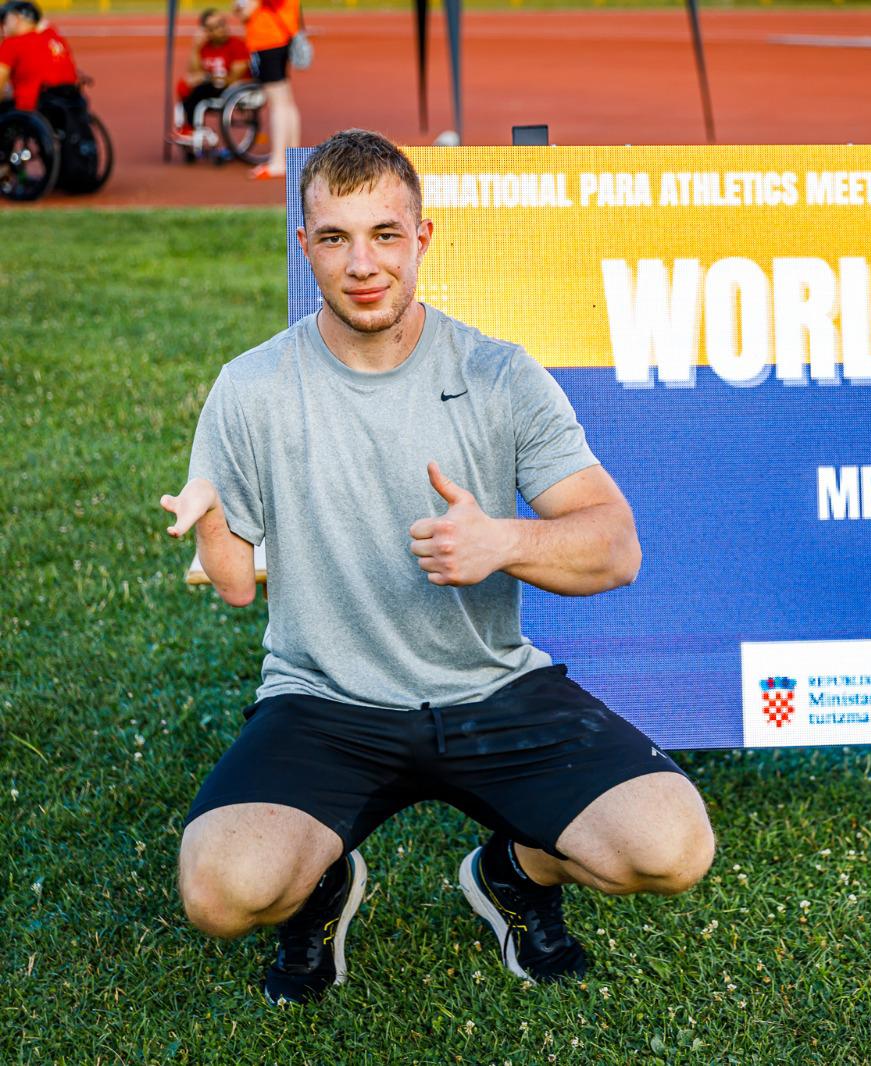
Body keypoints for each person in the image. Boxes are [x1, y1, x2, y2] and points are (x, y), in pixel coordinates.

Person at [160, 129, 715, 1006]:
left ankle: (511, 870)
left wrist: (506, 542)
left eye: (385, 234)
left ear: (422, 238)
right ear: (305, 247)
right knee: (223, 893)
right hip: (325, 697)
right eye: (335, 238)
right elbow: (233, 583)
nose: (363, 264)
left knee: (670, 848)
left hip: (490, 688)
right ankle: (324, 885)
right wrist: (212, 522)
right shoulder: (253, 386)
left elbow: (617, 546)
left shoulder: (498, 374)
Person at [233, 0, 298, 179]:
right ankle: (292, 155)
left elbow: (245, 11)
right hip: (281, 37)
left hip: (267, 39)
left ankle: (278, 161)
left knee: (278, 103)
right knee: (286, 101)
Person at [173, 8, 249, 143]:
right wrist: (195, 48)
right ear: (206, 32)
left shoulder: (237, 45)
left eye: (222, 23)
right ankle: (191, 128)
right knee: (184, 85)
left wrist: (208, 77)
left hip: (231, 90)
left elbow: (234, 78)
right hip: (209, 87)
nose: (222, 29)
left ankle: (191, 128)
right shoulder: (205, 47)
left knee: (200, 89)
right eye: (215, 27)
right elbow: (194, 72)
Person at [0, 1, 77, 113]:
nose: (3, 25)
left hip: (32, 105)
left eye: (5, 19)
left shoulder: (13, 44)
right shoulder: (53, 36)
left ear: (16, 19)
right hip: (68, 99)